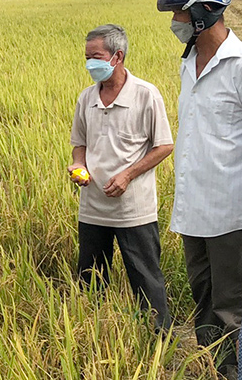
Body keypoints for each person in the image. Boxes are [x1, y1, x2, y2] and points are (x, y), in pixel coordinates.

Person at [157, 0, 242, 376]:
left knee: (231, 308)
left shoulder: (239, 66)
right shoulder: (188, 63)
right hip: (193, 210)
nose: (175, 21)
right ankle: (214, 369)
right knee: (203, 301)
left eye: (179, 12)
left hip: (231, 213)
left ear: (203, 12)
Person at [69, 24, 174, 331]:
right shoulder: (86, 97)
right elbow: (79, 144)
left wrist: (128, 175)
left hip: (133, 211)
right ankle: (93, 331)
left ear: (118, 56)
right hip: (93, 208)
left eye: (96, 56)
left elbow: (164, 145)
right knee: (90, 278)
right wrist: (79, 166)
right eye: (87, 57)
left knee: (145, 277)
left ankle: (158, 339)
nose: (90, 63)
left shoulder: (145, 94)